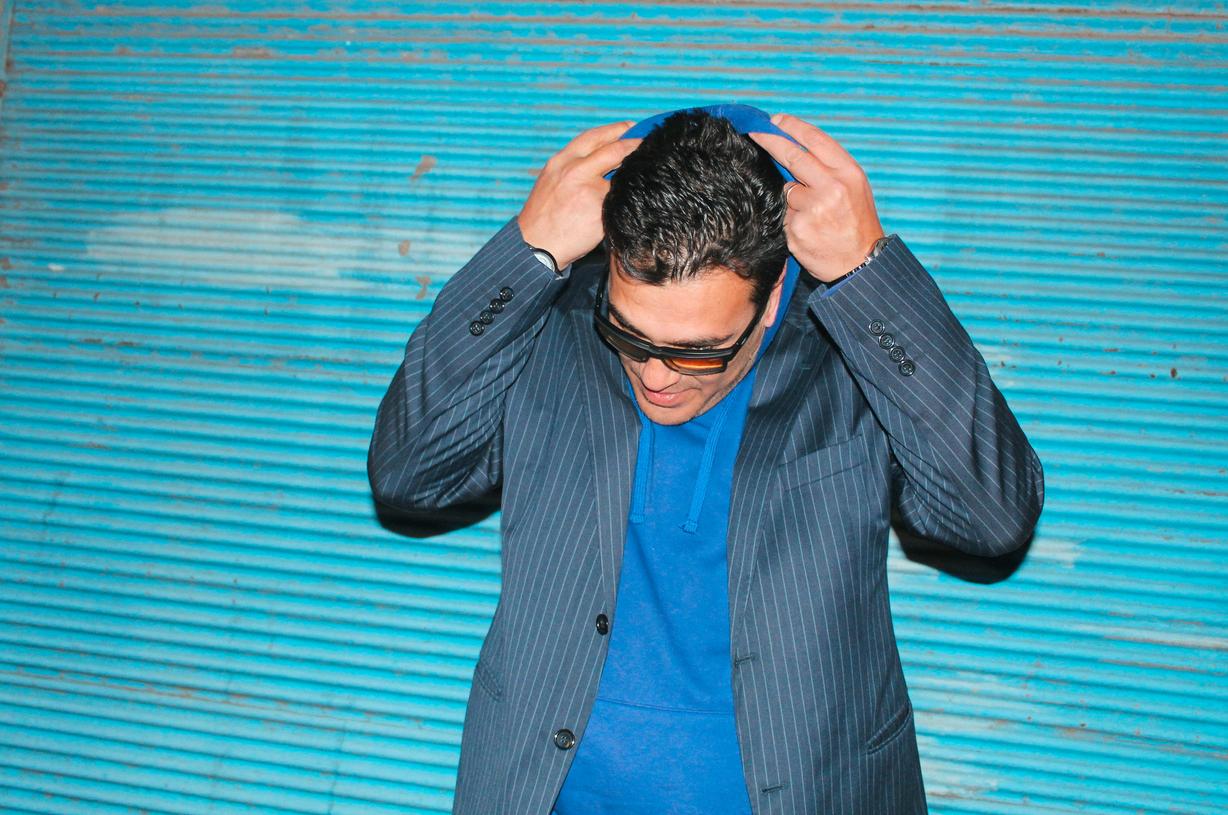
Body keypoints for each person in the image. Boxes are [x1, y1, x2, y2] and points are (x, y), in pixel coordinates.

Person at [367, 104, 1044, 815]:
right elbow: (411, 473)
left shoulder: (847, 359)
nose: (657, 374)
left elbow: (990, 517)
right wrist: (524, 254)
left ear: (773, 293)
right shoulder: (552, 330)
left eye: (699, 351)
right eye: (629, 333)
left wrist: (869, 275)